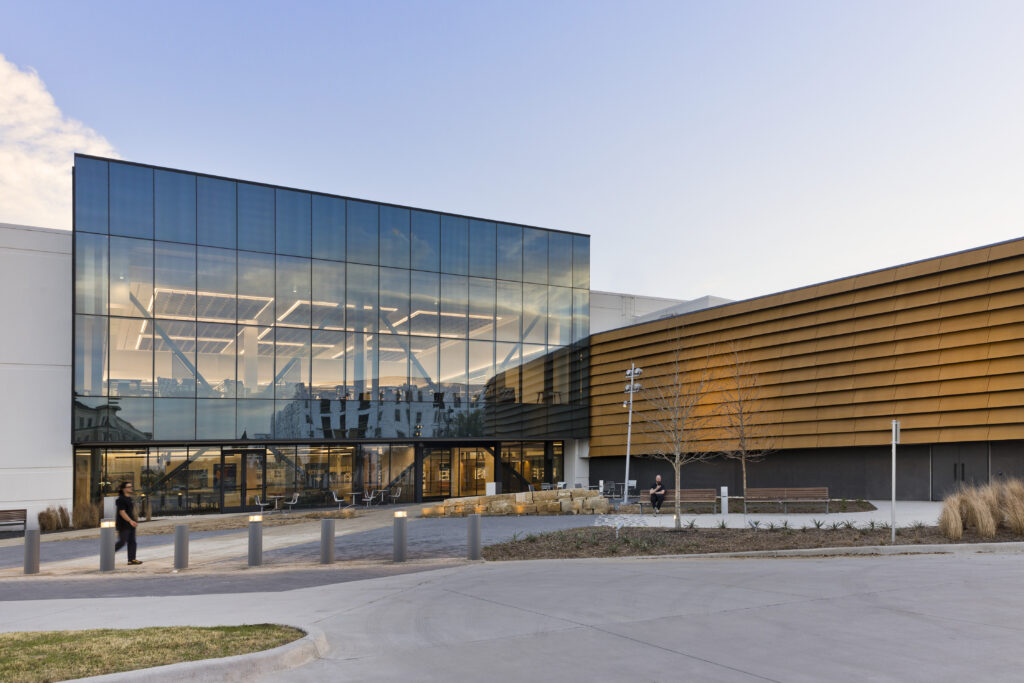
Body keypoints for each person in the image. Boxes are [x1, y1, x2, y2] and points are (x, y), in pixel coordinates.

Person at [114, 481, 143, 565]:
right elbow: (122, 512)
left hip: (131, 523)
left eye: (131, 486)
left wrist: (133, 520)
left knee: (132, 541)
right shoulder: (120, 499)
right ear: (124, 489)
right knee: (122, 541)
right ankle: (108, 553)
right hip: (123, 524)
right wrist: (130, 521)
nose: (131, 488)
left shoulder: (129, 498)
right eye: (129, 487)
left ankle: (132, 559)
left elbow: (129, 511)